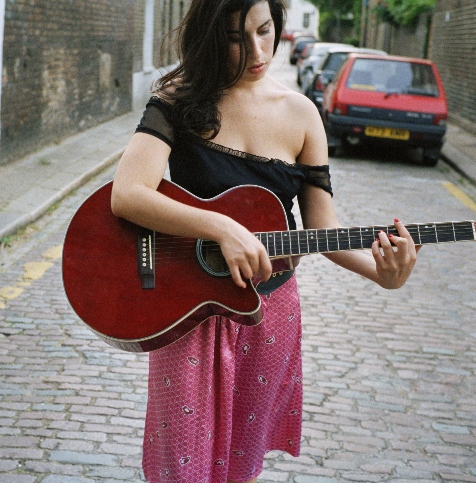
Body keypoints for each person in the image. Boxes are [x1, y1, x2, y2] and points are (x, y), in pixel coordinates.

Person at [110, 0, 420, 481]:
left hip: (269, 313)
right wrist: (221, 227)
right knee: (180, 467)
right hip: (191, 313)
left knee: (239, 466)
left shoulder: (301, 115)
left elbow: (322, 233)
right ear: (211, 38)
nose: (256, 51)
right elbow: (127, 195)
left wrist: (382, 275)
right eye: (235, 38)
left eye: (265, 30)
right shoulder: (179, 98)